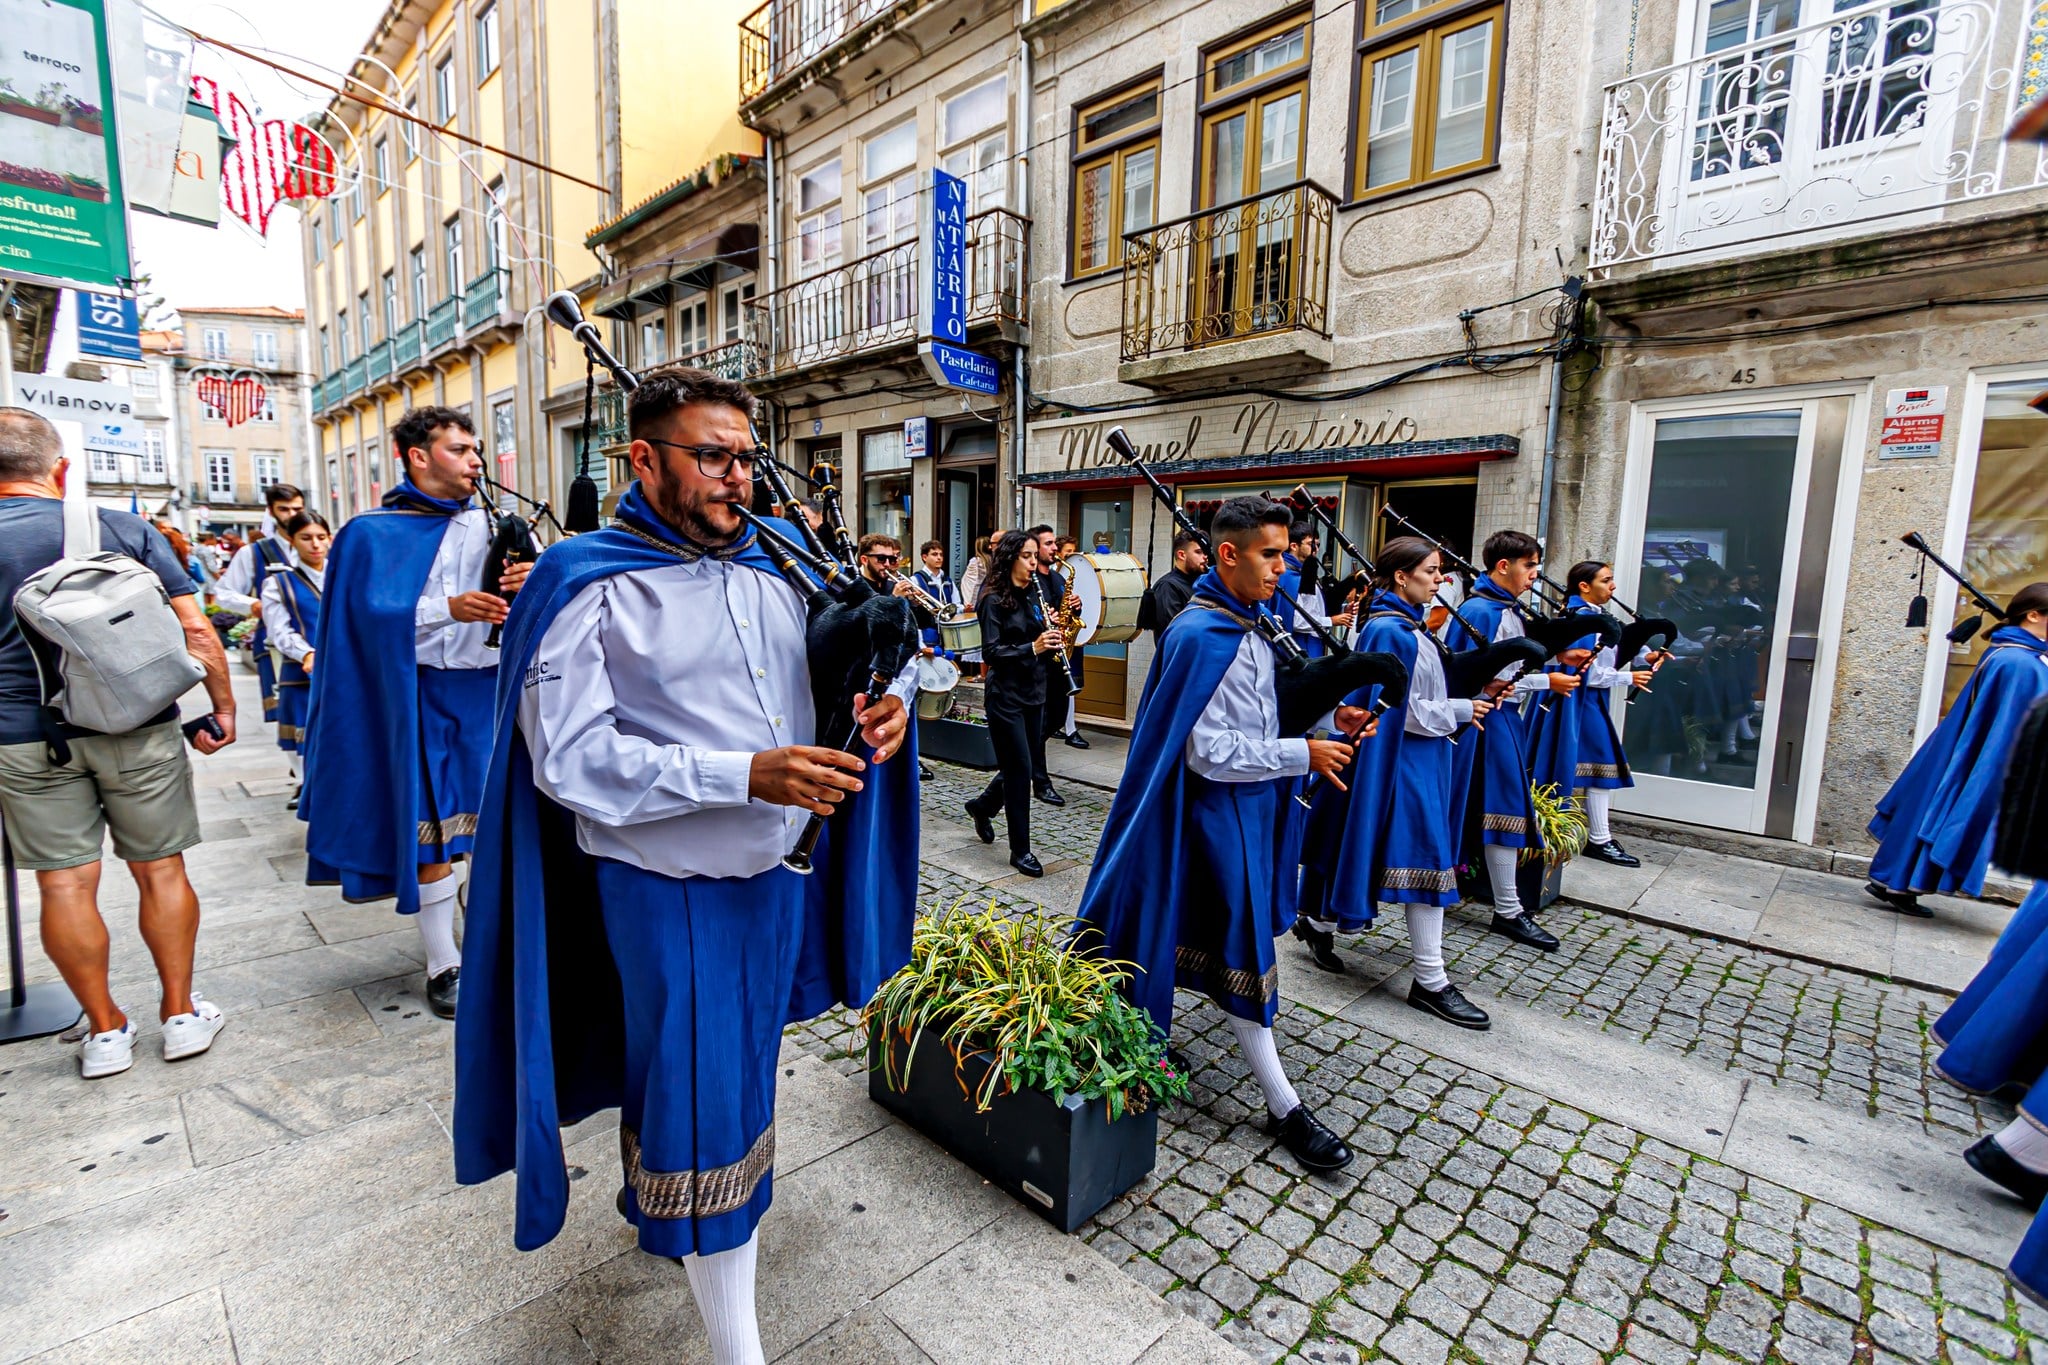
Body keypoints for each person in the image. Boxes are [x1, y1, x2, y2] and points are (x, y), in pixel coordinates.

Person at [452, 368, 918, 1365]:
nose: (736, 477)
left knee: (722, 1078)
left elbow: (857, 667)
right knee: (710, 1102)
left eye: (745, 457)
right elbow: (571, 760)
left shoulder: (779, 561)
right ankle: (736, 1341)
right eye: (711, 456)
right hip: (666, 888)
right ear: (644, 459)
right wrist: (743, 773)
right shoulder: (585, 579)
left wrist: (888, 705)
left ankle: (671, 1206)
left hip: (775, 882)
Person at [1076, 495, 1359, 1172]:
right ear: (1228, 554)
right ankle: (1284, 1104)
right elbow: (1206, 752)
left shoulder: (1252, 622)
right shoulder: (1198, 634)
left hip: (1251, 810)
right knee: (1242, 945)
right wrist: (1301, 754)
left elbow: (1264, 712)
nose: (1283, 567)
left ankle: (1134, 1034)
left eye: (1286, 554)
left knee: (1198, 934)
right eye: (1271, 554)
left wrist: (1327, 724)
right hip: (1206, 819)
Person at [0, 408, 235, 1078]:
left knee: (64, 883)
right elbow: (196, 630)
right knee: (161, 869)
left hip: (24, 736)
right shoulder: (117, 528)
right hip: (137, 723)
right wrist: (221, 706)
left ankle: (105, 1030)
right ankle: (181, 1015)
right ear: (61, 469)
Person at [299, 407, 529, 1020]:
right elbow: (360, 621)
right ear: (418, 457)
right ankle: (442, 963)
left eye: (475, 448)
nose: (475, 460)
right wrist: (447, 609)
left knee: (494, 834)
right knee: (433, 837)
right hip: (413, 698)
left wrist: (530, 581)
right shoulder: (369, 533)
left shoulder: (499, 523)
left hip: (490, 695)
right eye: (459, 449)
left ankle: (493, 949)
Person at [1296, 537, 1496, 1028]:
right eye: (1431, 570)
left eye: (1440, 570)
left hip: (1419, 758)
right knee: (1427, 859)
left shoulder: (1409, 626)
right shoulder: (1390, 629)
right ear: (1402, 576)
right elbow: (1400, 711)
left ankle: (1316, 922)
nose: (1440, 579)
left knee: (1365, 848)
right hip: (1402, 760)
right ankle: (1431, 980)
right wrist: (1462, 709)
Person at [1865, 582, 2048, 917]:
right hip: (1988, 754)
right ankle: (1895, 881)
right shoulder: (2018, 662)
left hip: (1974, 750)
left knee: (1931, 807)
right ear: (2033, 615)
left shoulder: (2014, 654)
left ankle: (1894, 880)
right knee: (1940, 809)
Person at [1447, 530, 1573, 954]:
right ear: (1504, 566)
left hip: (1502, 721)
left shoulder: (1506, 609)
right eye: (1529, 565)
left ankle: (1504, 904)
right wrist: (1545, 681)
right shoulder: (1479, 611)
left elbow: (1508, 675)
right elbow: (1473, 676)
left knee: (1500, 812)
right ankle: (1507, 908)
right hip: (1484, 722)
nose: (1535, 574)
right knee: (1502, 811)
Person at [1527, 561, 1664, 867]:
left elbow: (1612, 654)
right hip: (1577, 702)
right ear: (1584, 586)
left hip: (1582, 702)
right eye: (1606, 580)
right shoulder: (1583, 619)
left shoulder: (1593, 616)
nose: (1612, 586)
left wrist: (1647, 657)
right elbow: (1592, 673)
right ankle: (1598, 839)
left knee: (1596, 767)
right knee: (1601, 767)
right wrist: (1631, 677)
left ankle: (1597, 837)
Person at [965, 531, 1060, 877]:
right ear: (1010, 559)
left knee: (1022, 765)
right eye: (1027, 556)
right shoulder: (992, 598)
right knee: (1020, 772)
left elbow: (1038, 634)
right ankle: (1021, 851)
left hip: (1035, 690)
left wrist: (1052, 628)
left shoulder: (1034, 591)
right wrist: (1033, 647)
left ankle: (982, 806)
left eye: (1035, 555)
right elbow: (991, 652)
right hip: (1006, 695)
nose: (1034, 562)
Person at [212, 484, 305, 726]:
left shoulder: (320, 548)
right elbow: (223, 592)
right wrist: (254, 604)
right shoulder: (253, 553)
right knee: (287, 717)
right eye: (284, 509)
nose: (292, 515)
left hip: (316, 638)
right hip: (273, 642)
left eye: (297, 509)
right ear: (271, 511)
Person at [260, 511, 331, 802]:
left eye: (321, 537)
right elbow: (279, 631)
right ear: (291, 540)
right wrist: (307, 652)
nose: (315, 544)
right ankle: (305, 784)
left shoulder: (344, 577)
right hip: (302, 669)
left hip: (344, 668)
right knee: (301, 730)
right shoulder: (278, 583)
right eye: (306, 538)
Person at [1032, 524, 1090, 754]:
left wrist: (1076, 607)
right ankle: (1033, 770)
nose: (1054, 548)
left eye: (1054, 543)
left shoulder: (1057, 578)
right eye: (1048, 544)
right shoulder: (1030, 580)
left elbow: (1066, 611)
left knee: (1055, 717)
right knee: (1038, 724)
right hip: (1039, 660)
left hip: (1059, 655)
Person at [1139, 530, 1208, 644]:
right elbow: (1174, 633)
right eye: (1198, 552)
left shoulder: (1202, 583)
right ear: (1181, 555)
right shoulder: (1168, 587)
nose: (1205, 557)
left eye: (1205, 552)